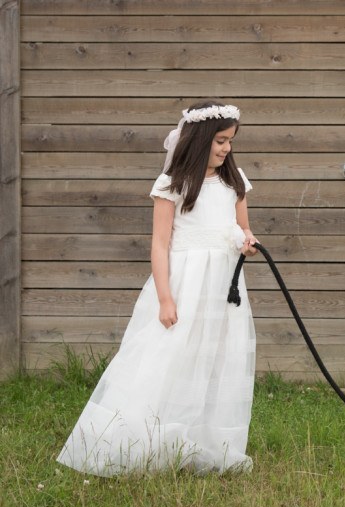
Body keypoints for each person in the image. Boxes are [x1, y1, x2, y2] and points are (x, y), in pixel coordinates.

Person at [57, 101, 259, 476]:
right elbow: (159, 244)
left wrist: (246, 241)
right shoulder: (172, 184)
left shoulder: (234, 181)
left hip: (223, 287)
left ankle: (202, 443)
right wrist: (166, 298)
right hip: (183, 283)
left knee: (213, 360)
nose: (226, 149)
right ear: (198, 140)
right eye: (219, 141)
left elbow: (241, 228)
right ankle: (143, 439)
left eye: (230, 141)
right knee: (168, 357)